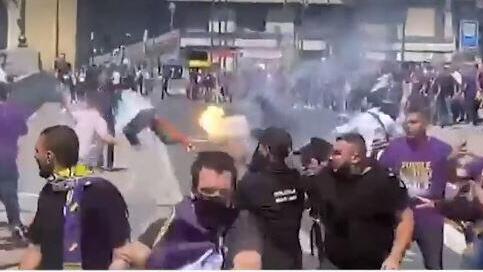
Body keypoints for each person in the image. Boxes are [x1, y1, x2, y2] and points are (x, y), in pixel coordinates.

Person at [109, 151, 262, 269]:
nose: (216, 197)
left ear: (233, 192)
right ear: (194, 191)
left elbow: (248, 261)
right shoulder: (172, 222)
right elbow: (126, 255)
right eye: (208, 191)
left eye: (223, 193)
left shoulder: (240, 225)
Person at [19, 125, 130, 269]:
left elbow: (121, 252)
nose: (35, 156)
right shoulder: (48, 192)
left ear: (49, 156)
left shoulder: (102, 192)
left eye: (37, 151)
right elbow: (36, 246)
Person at [309, 133, 413, 269]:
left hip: (372, 264)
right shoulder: (326, 177)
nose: (331, 157)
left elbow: (405, 219)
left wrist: (395, 257)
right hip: (333, 262)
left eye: (337, 153)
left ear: (355, 157)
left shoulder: (383, 182)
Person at [379, 106, 456, 269]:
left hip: (430, 218)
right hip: (400, 217)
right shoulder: (395, 147)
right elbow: (381, 176)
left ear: (426, 123)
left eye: (414, 122)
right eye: (406, 123)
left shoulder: (443, 149)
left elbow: (453, 180)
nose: (408, 126)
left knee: (434, 265)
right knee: (389, 263)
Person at [237, 127, 305, 269]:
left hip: (266, 261)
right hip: (293, 258)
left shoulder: (253, 182)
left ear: (266, 149)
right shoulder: (296, 178)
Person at [0, 83, 28, 242]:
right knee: (10, 195)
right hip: (8, 158)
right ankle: (15, 224)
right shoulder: (13, 112)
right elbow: (24, 130)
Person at [63, 91, 117, 168]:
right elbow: (105, 137)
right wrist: (117, 142)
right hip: (87, 158)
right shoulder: (99, 120)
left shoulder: (81, 114)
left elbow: (70, 112)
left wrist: (64, 102)